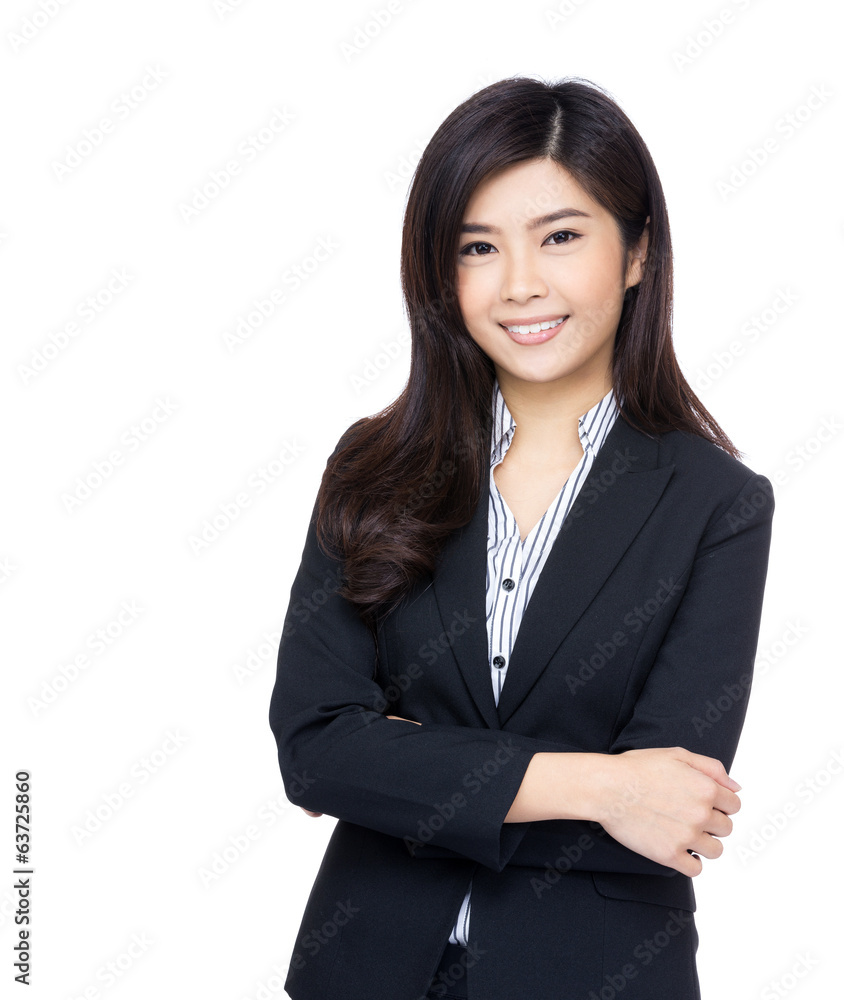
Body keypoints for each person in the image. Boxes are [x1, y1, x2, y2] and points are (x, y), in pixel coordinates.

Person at [268, 75, 774, 1000]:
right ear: (440, 270)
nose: (520, 285)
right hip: (364, 968)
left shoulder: (719, 503)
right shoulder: (373, 467)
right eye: (477, 246)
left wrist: (408, 763)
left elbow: (673, 804)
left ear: (636, 254)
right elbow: (315, 750)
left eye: (562, 236)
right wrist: (599, 785)